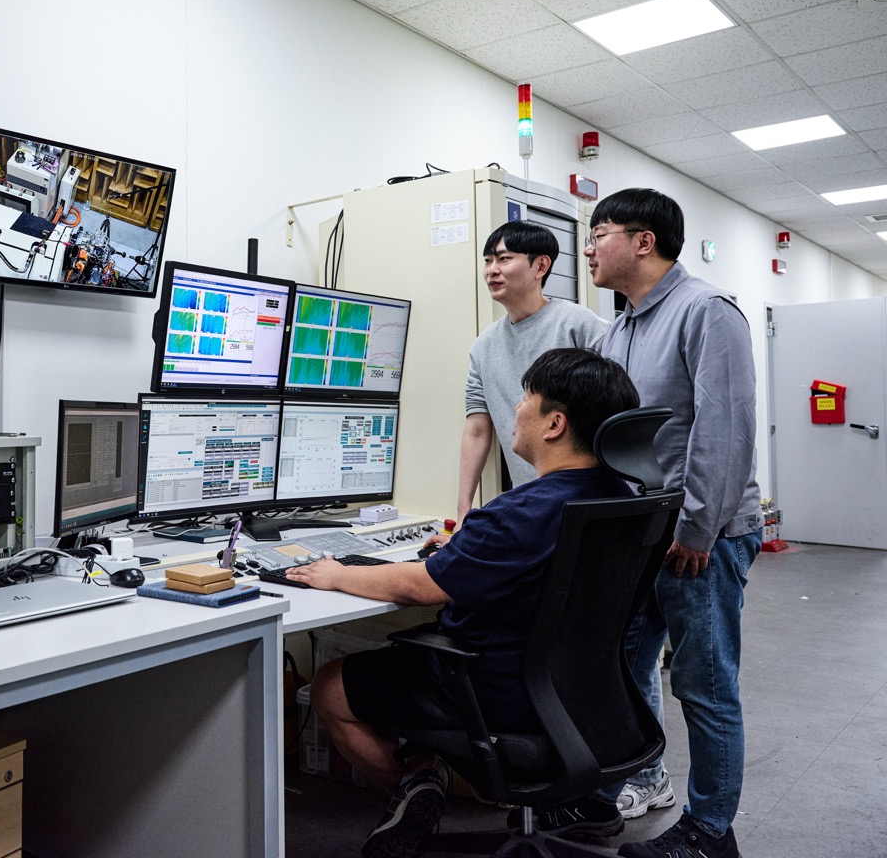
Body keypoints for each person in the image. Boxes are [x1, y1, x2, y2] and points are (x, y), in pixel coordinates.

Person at [287, 348, 640, 858]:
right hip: (589, 699)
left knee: (330, 686)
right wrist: (468, 549)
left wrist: (337, 573)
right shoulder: (620, 497)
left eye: (527, 398)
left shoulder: (519, 513)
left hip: (493, 691)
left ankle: (416, 778)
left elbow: (420, 587)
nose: (516, 408)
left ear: (554, 424)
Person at [582, 188, 763, 858]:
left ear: (643, 241)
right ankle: (612, 790)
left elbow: (725, 428)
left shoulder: (706, 311)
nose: (588, 249)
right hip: (644, 535)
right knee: (622, 665)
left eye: (598, 234)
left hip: (701, 538)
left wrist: (696, 528)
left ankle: (710, 832)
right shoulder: (619, 329)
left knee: (703, 684)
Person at [456, 221, 607, 525]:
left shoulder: (580, 325)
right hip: (532, 504)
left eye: (503, 259)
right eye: (488, 261)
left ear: (540, 266)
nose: (491, 271)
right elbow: (477, 430)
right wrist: (463, 513)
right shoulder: (484, 345)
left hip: (591, 503)